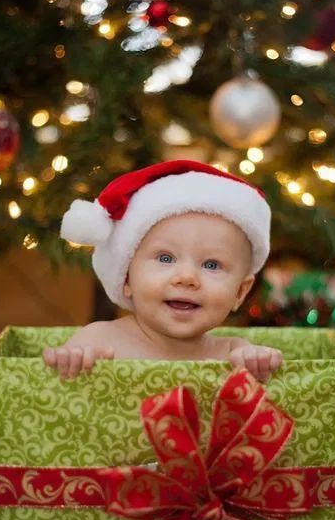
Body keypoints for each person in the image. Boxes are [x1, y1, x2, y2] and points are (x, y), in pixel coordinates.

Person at [43, 159, 283, 383]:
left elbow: (262, 366)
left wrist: (258, 361)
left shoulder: (233, 352)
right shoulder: (97, 340)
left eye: (211, 265)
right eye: (166, 258)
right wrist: (69, 361)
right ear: (126, 276)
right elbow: (50, 383)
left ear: (240, 292)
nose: (187, 278)